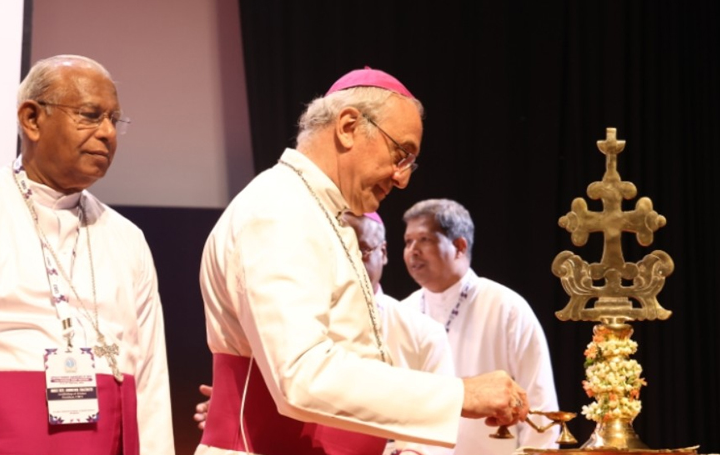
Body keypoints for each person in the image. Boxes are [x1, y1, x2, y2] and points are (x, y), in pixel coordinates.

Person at [195, 67, 530, 455]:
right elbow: (302, 375)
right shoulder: (280, 209)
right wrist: (460, 394)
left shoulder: (316, 210)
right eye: (400, 154)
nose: (402, 179)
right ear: (348, 127)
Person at [0, 55, 175, 454]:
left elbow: (150, 375)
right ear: (32, 119)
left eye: (114, 120)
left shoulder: (126, 237)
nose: (107, 133)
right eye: (90, 116)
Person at [194, 211, 455, 455]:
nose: (350, 264)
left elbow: (433, 430)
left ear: (383, 252)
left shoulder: (422, 332)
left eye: (361, 251)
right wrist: (234, 406)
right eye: (341, 253)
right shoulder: (297, 317)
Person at [400, 198, 560, 454]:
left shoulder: (506, 308)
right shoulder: (403, 312)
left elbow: (540, 405)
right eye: (408, 242)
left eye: (424, 239)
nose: (413, 250)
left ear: (459, 247)